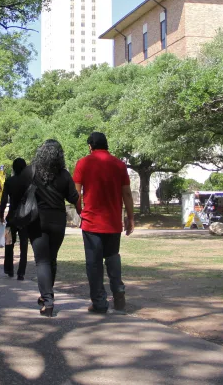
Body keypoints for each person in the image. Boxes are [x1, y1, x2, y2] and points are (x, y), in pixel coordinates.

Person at [73, 132, 135, 314]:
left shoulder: (83, 163)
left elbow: (76, 193)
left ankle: (99, 302)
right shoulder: (119, 164)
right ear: (106, 145)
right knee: (113, 256)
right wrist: (130, 218)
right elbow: (127, 194)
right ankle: (119, 293)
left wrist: (79, 211)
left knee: (94, 263)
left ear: (90, 146)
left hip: (92, 221)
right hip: (113, 221)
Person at [23, 140, 81, 317]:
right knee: (52, 259)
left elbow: (20, 192)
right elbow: (73, 197)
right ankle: (47, 296)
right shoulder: (64, 175)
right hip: (57, 221)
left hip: (37, 220)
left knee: (42, 261)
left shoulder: (31, 172)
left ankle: (48, 301)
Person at [0, 158, 29, 280]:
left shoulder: (9, 181)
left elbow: (4, 199)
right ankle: (21, 272)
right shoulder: (28, 182)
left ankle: (9, 269)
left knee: (8, 244)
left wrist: (1, 214)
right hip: (24, 218)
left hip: (11, 217)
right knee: (24, 245)